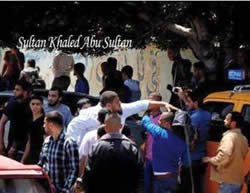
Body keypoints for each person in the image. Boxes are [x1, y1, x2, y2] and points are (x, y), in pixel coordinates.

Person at [67, 90, 177, 147]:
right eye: (117, 102)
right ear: (109, 105)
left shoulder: (121, 109)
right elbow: (73, 132)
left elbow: (142, 104)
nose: (120, 104)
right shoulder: (88, 115)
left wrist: (163, 103)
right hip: (95, 156)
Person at [83, 112, 143, 193]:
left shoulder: (96, 147)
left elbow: (88, 174)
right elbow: (139, 174)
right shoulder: (132, 148)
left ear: (105, 127)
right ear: (121, 126)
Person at [141, 112, 187, 193]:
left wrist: (147, 112)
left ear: (167, 123)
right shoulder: (182, 142)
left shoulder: (159, 133)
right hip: (172, 180)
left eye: (160, 120)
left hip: (162, 182)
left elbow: (146, 122)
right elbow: (186, 162)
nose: (158, 122)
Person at [203, 112, 248, 193]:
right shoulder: (244, 139)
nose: (224, 120)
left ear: (233, 123)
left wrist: (211, 159)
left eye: (227, 119)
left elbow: (225, 155)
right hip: (237, 180)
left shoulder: (229, 137)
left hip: (228, 181)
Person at [177, 89, 211, 193]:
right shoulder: (207, 114)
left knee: (186, 188)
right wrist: (183, 97)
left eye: (189, 101)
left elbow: (189, 137)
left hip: (190, 159)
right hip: (201, 157)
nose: (186, 103)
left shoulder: (193, 117)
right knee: (197, 185)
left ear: (195, 102)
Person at [38, 111, 79, 193]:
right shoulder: (47, 141)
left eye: (45, 123)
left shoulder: (69, 143)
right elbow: (41, 164)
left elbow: (74, 170)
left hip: (63, 190)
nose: (43, 126)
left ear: (51, 125)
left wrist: (65, 190)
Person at [0, 79, 33, 161]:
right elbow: (2, 122)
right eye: (14, 89)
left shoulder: (33, 104)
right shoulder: (13, 103)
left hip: (29, 147)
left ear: (26, 92)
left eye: (18, 90)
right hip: (14, 148)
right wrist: (1, 144)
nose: (14, 92)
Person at [143, 92, 162, 193]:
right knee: (146, 185)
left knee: (157, 186)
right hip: (148, 158)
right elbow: (147, 138)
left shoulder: (163, 119)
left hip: (159, 159)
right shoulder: (147, 118)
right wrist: (144, 156)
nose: (149, 103)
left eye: (152, 101)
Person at [21, 95, 45, 164]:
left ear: (42, 105)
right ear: (29, 105)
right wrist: (23, 159)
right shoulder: (29, 119)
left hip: (40, 154)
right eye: (33, 104)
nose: (35, 106)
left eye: (38, 104)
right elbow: (29, 140)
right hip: (31, 154)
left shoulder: (45, 121)